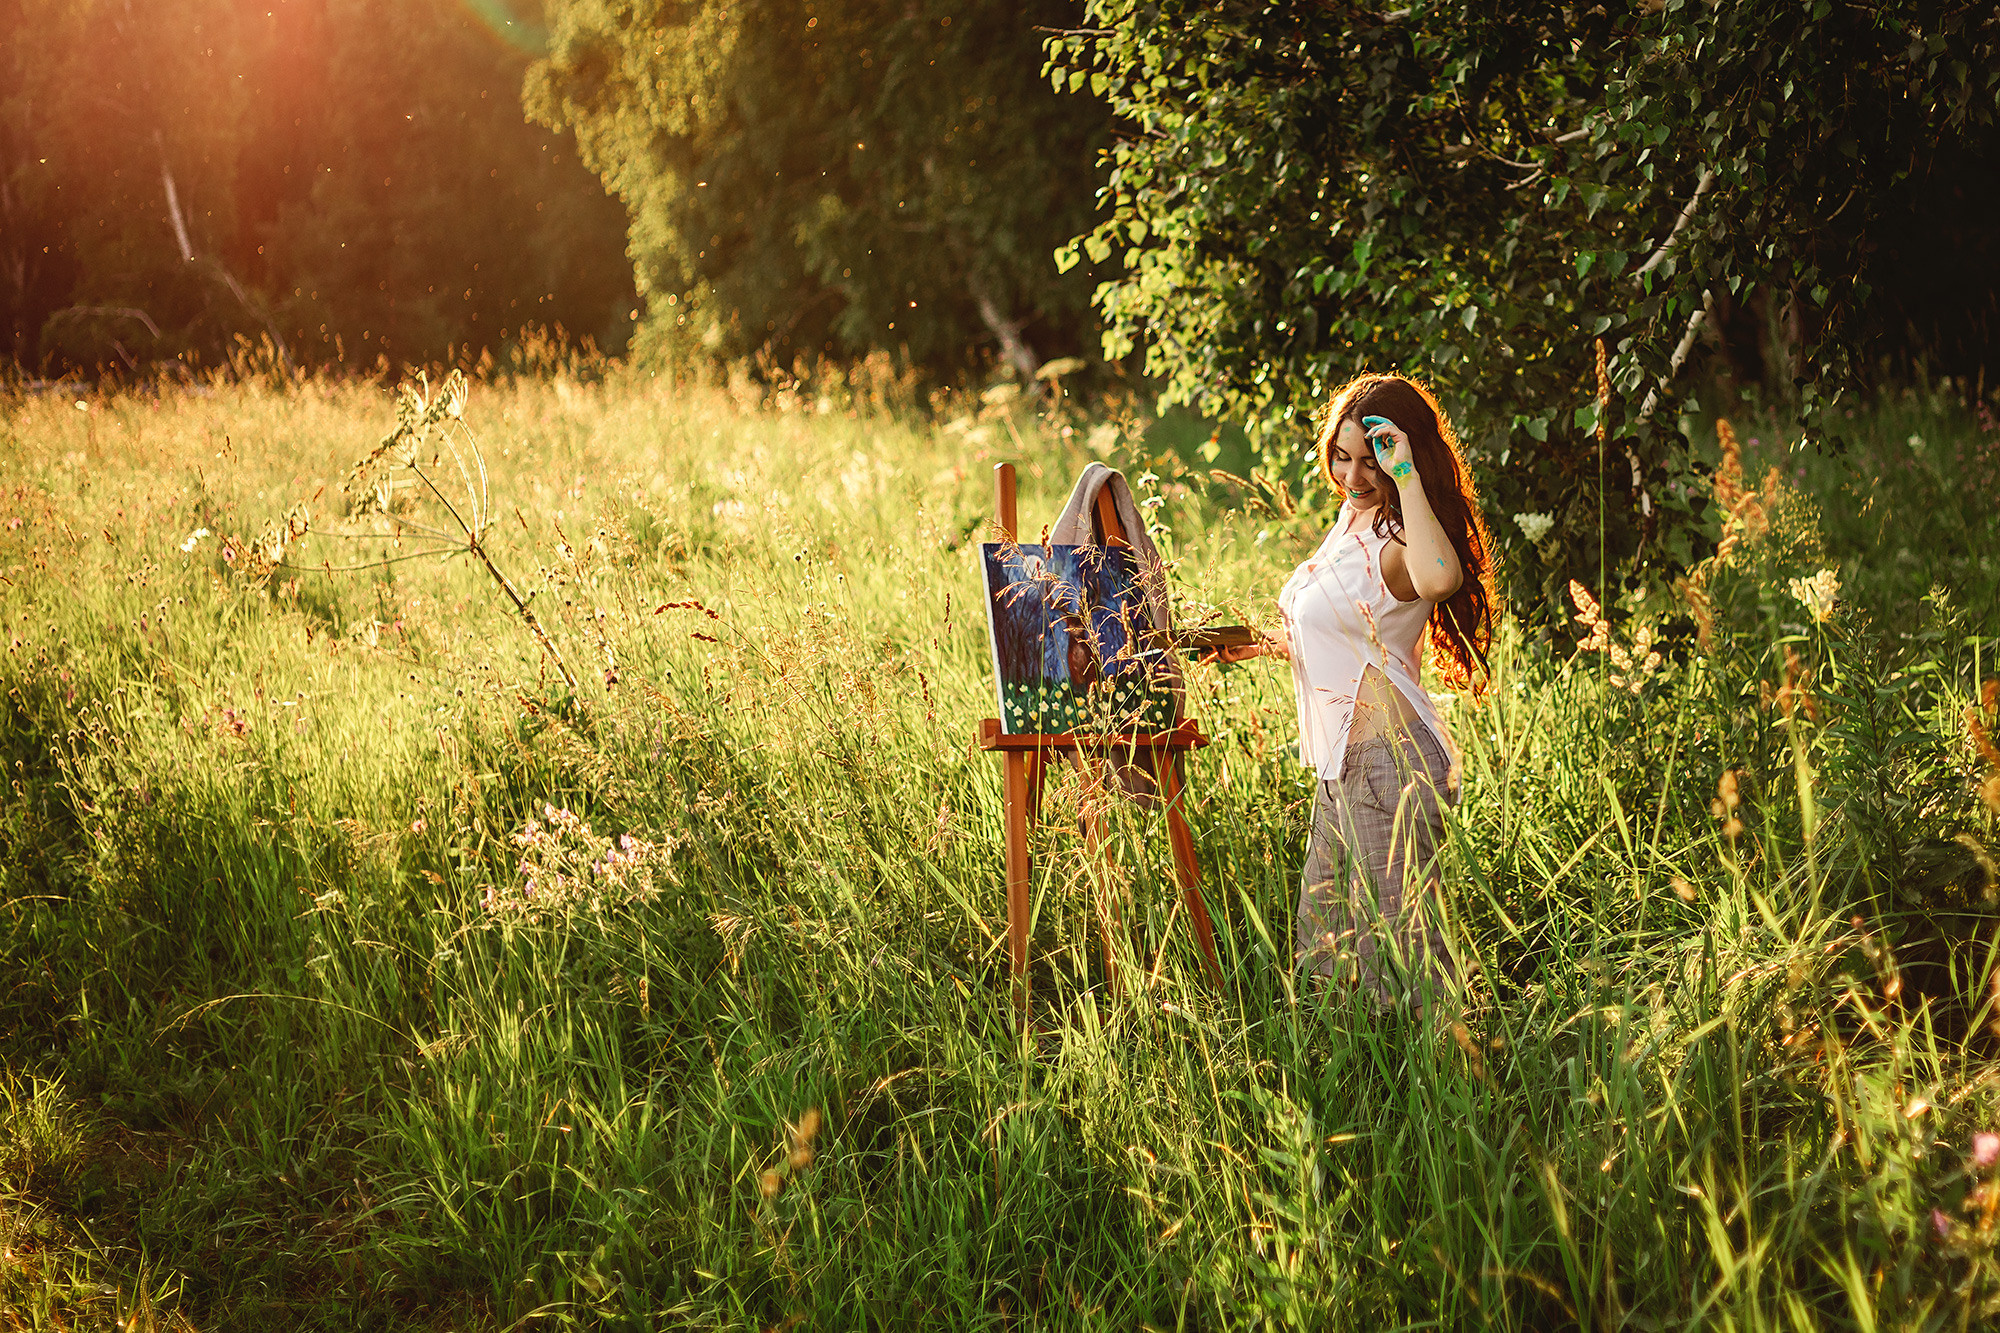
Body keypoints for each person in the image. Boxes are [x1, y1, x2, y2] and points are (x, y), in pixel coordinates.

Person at [1213, 373, 1495, 1010]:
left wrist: (1409, 477)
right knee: (1327, 949)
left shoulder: (1400, 536)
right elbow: (1348, 632)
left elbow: (1440, 578)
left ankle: (1462, 1086)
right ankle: (1373, 1088)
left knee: (1412, 958)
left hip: (1388, 764)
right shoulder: (1351, 524)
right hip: (1343, 766)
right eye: (1343, 457)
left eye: (1373, 459)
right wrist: (1264, 643)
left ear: (1405, 454)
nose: (1355, 474)